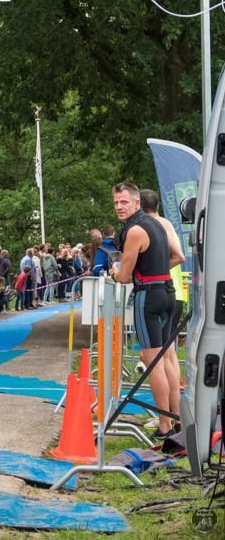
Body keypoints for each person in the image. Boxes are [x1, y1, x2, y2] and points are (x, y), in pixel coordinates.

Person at [110, 182, 183, 439]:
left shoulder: (134, 231)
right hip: (168, 292)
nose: (119, 206)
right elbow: (177, 257)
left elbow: (125, 276)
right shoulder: (158, 224)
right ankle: (176, 419)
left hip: (149, 298)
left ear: (137, 203)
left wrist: (115, 273)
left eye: (124, 202)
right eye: (116, 202)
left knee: (152, 363)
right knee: (167, 358)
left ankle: (164, 426)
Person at [139, 189, 186, 434]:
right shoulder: (165, 223)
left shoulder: (152, 225)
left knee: (157, 359)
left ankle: (168, 420)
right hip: (175, 293)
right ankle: (174, 416)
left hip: (162, 290)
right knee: (167, 358)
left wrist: (152, 269)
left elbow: (178, 257)